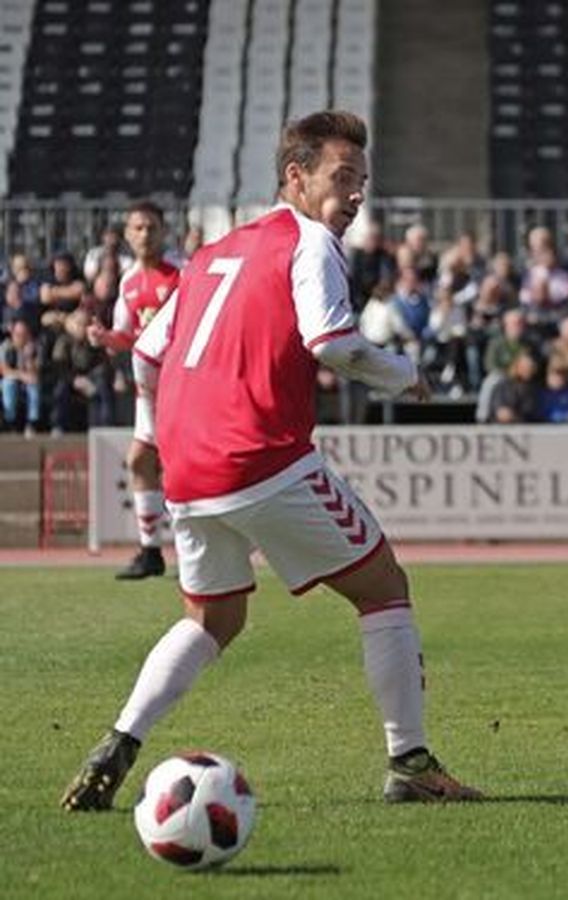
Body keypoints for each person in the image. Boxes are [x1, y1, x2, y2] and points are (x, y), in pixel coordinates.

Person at [61, 110, 480, 811]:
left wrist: (165, 429)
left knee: (213, 619)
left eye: (362, 182)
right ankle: (410, 762)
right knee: (383, 587)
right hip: (258, 456)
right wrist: (403, 375)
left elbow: (148, 351)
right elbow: (334, 344)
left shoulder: (214, 252)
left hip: (187, 471)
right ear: (296, 176)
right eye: (341, 178)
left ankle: (119, 742)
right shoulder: (310, 243)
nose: (354, 195)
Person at [86, 201, 181, 579]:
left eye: (151, 227)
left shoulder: (182, 273)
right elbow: (128, 336)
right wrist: (104, 336)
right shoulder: (128, 281)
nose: (145, 234)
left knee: (175, 464)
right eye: (138, 228)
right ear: (127, 234)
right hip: (149, 388)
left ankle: (193, 551)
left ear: (164, 231)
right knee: (141, 461)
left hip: (181, 384)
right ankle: (151, 552)